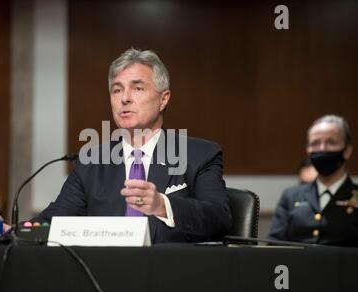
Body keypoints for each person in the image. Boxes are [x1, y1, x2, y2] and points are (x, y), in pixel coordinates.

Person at [34, 48, 231, 243]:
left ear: (163, 99)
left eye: (137, 88)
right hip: (103, 271)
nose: (125, 98)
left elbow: (219, 218)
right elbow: (54, 220)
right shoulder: (91, 163)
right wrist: (11, 231)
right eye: (117, 90)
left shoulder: (199, 155)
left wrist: (163, 205)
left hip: (170, 271)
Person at [268, 115, 358, 246]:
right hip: (297, 266)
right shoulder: (291, 196)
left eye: (331, 142)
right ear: (307, 150)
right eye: (315, 143)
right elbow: (273, 245)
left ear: (347, 151)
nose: (322, 149)